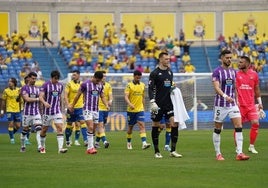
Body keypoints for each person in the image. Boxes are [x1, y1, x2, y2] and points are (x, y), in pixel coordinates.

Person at [212, 49, 249, 161]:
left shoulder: (234, 72)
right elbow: (216, 87)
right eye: (227, 58)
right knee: (218, 129)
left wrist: (236, 100)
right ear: (222, 58)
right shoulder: (217, 72)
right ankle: (218, 154)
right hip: (220, 104)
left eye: (230, 58)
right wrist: (225, 97)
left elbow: (235, 88)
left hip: (232, 104)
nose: (229, 60)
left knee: (239, 126)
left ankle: (240, 153)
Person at [148, 52, 181, 158]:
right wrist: (152, 101)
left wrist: (174, 88)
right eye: (166, 59)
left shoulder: (170, 72)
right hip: (157, 104)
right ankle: (156, 151)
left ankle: (173, 150)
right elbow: (150, 88)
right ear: (160, 60)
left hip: (168, 103)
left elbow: (170, 85)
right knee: (156, 125)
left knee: (174, 123)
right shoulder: (154, 73)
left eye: (169, 59)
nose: (168, 61)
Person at [70, 71, 110, 155]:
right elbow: (77, 95)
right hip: (87, 109)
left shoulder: (100, 85)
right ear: (94, 77)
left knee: (93, 129)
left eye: (100, 80)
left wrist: (106, 104)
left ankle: (89, 148)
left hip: (96, 110)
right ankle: (91, 148)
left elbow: (102, 96)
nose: (98, 82)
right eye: (97, 80)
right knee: (91, 127)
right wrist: (72, 105)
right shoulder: (85, 84)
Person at [236, 55, 264, 154]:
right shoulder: (236, 74)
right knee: (238, 126)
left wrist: (260, 103)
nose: (239, 64)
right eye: (239, 62)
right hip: (240, 105)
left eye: (241, 62)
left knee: (256, 123)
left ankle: (251, 146)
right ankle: (238, 148)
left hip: (251, 105)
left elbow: (256, 89)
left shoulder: (254, 75)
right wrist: (236, 101)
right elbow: (234, 89)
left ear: (247, 64)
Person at [39, 70, 67, 154]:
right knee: (44, 129)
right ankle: (42, 147)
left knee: (60, 127)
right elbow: (40, 96)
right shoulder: (46, 85)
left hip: (57, 111)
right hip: (47, 112)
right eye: (55, 79)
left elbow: (60, 98)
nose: (57, 80)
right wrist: (44, 103)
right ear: (52, 78)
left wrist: (62, 109)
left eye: (58, 79)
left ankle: (60, 149)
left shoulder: (60, 86)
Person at [124, 70, 151, 150]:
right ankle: (128, 142)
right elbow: (126, 96)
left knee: (142, 125)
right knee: (130, 129)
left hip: (140, 109)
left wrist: (144, 106)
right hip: (131, 110)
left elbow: (143, 97)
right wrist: (130, 104)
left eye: (140, 77)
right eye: (137, 77)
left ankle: (144, 143)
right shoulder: (129, 85)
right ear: (134, 76)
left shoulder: (143, 85)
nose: (138, 78)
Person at [20, 72, 42, 152]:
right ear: (28, 78)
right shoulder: (24, 88)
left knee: (39, 128)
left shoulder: (37, 88)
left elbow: (40, 100)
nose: (34, 80)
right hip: (27, 113)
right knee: (25, 130)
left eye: (35, 79)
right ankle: (22, 146)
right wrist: (37, 99)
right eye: (33, 78)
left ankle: (40, 147)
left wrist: (41, 110)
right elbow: (27, 99)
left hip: (36, 112)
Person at [64, 70, 87, 147]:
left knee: (82, 122)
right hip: (71, 107)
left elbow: (84, 95)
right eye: (72, 75)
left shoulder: (82, 84)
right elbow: (65, 95)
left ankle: (85, 140)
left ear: (78, 76)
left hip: (80, 107)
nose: (73, 76)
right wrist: (68, 105)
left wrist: (85, 103)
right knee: (69, 124)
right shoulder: (69, 84)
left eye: (74, 75)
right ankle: (67, 140)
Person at [0, 77, 21, 144]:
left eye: (11, 81)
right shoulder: (6, 91)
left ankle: (11, 134)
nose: (9, 83)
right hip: (9, 110)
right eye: (9, 81)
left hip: (17, 110)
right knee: (11, 124)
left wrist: (20, 95)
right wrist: (2, 111)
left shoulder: (18, 90)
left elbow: (19, 101)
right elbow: (3, 102)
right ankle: (12, 139)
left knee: (18, 126)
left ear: (14, 83)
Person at [95, 71, 113, 149]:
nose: (104, 77)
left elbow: (110, 95)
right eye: (103, 76)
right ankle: (105, 141)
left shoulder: (108, 86)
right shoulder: (96, 85)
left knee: (102, 126)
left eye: (105, 76)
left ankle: (96, 142)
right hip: (98, 108)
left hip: (105, 109)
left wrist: (110, 101)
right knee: (101, 125)